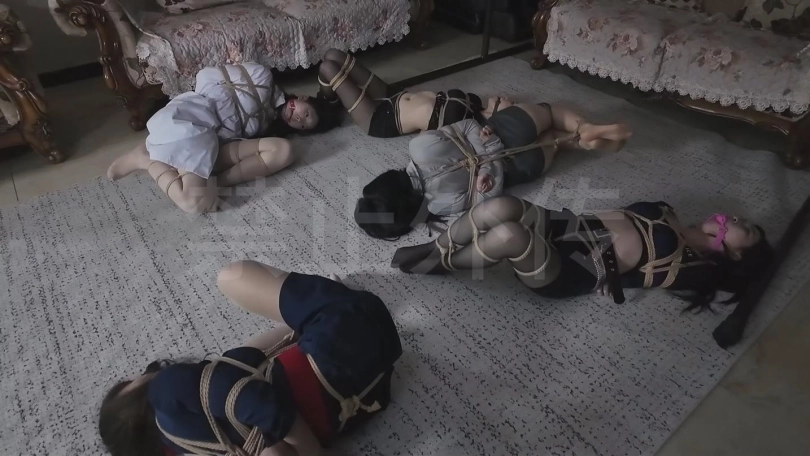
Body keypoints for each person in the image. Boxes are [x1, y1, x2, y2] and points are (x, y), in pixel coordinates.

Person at [97, 261, 402, 456]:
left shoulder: (204, 439)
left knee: (237, 368)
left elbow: (248, 362)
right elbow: (265, 405)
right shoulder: (166, 394)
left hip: (371, 384)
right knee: (232, 277)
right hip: (348, 325)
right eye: (132, 382)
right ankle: (321, 298)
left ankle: (309, 310)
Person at [391, 195, 773, 312]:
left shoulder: (687, 264)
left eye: (749, 229)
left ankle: (443, 262)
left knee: (510, 235)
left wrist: (615, 281)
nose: (739, 218)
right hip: (565, 226)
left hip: (567, 270)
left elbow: (720, 283)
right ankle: (434, 248)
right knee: (502, 205)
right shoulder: (668, 211)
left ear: (737, 254)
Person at [354, 105, 632, 240]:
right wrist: (489, 144)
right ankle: (585, 128)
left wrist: (486, 171)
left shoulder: (438, 206)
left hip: (521, 166)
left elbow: (489, 199)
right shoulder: (419, 147)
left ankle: (583, 143)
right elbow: (467, 125)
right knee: (550, 114)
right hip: (504, 129)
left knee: (556, 143)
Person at [106, 63, 341, 213]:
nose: (298, 119)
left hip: (213, 145)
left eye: (303, 125)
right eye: (306, 113)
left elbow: (241, 141)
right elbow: (207, 76)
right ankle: (146, 159)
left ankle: (212, 181)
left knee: (284, 150)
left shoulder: (267, 123)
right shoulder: (261, 79)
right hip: (191, 124)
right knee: (195, 203)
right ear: (302, 98)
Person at [318, 48, 494, 137]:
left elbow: (431, 141)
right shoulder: (474, 103)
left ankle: (327, 107)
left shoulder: (472, 126)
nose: (504, 97)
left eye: (505, 102)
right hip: (393, 94)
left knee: (327, 67)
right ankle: (330, 102)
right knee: (332, 54)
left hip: (380, 120)